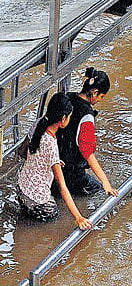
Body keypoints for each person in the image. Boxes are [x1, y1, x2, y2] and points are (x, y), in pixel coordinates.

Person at [17, 93, 93, 230]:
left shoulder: (38, 124)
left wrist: (54, 161)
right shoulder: (51, 144)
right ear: (63, 119)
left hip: (22, 191)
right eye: (69, 117)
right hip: (38, 203)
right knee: (55, 224)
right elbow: (62, 187)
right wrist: (79, 217)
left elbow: (27, 152)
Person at [56, 67, 118, 197]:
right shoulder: (86, 116)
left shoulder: (67, 98)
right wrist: (105, 182)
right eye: (101, 96)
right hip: (72, 176)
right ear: (94, 92)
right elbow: (87, 151)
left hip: (53, 167)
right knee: (100, 193)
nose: (100, 100)